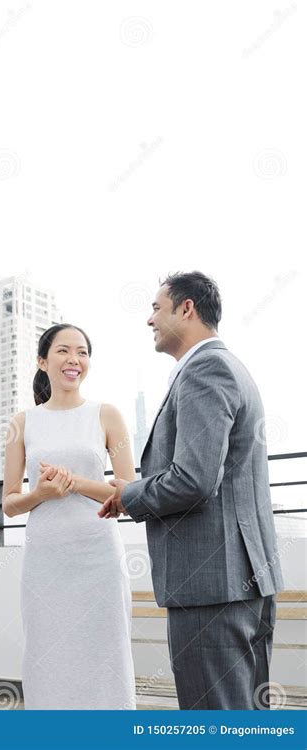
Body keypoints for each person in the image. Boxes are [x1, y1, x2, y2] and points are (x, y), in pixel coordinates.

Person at [99, 271, 284, 710]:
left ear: (187, 309)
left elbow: (195, 480)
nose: (149, 320)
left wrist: (130, 494)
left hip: (211, 585)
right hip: (241, 581)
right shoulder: (228, 366)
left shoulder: (206, 368)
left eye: (156, 308)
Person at [3, 324, 136, 709]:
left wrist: (76, 482)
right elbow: (10, 503)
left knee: (105, 655)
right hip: (46, 559)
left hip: (98, 558)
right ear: (43, 361)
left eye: (82, 352)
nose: (73, 360)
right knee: (47, 658)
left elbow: (127, 494)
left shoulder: (107, 415)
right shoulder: (22, 423)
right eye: (63, 351)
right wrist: (41, 494)